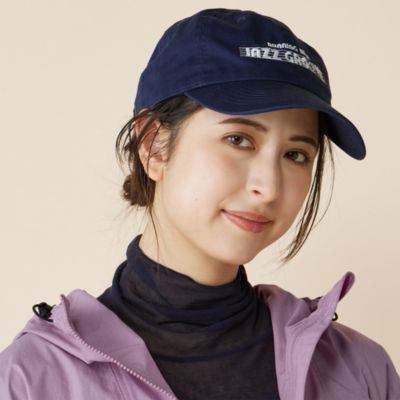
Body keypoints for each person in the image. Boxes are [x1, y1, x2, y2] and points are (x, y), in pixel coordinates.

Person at [0, 8, 399, 400]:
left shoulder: (361, 371)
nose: (268, 187)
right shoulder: (31, 381)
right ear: (153, 146)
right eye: (239, 139)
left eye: (295, 154)